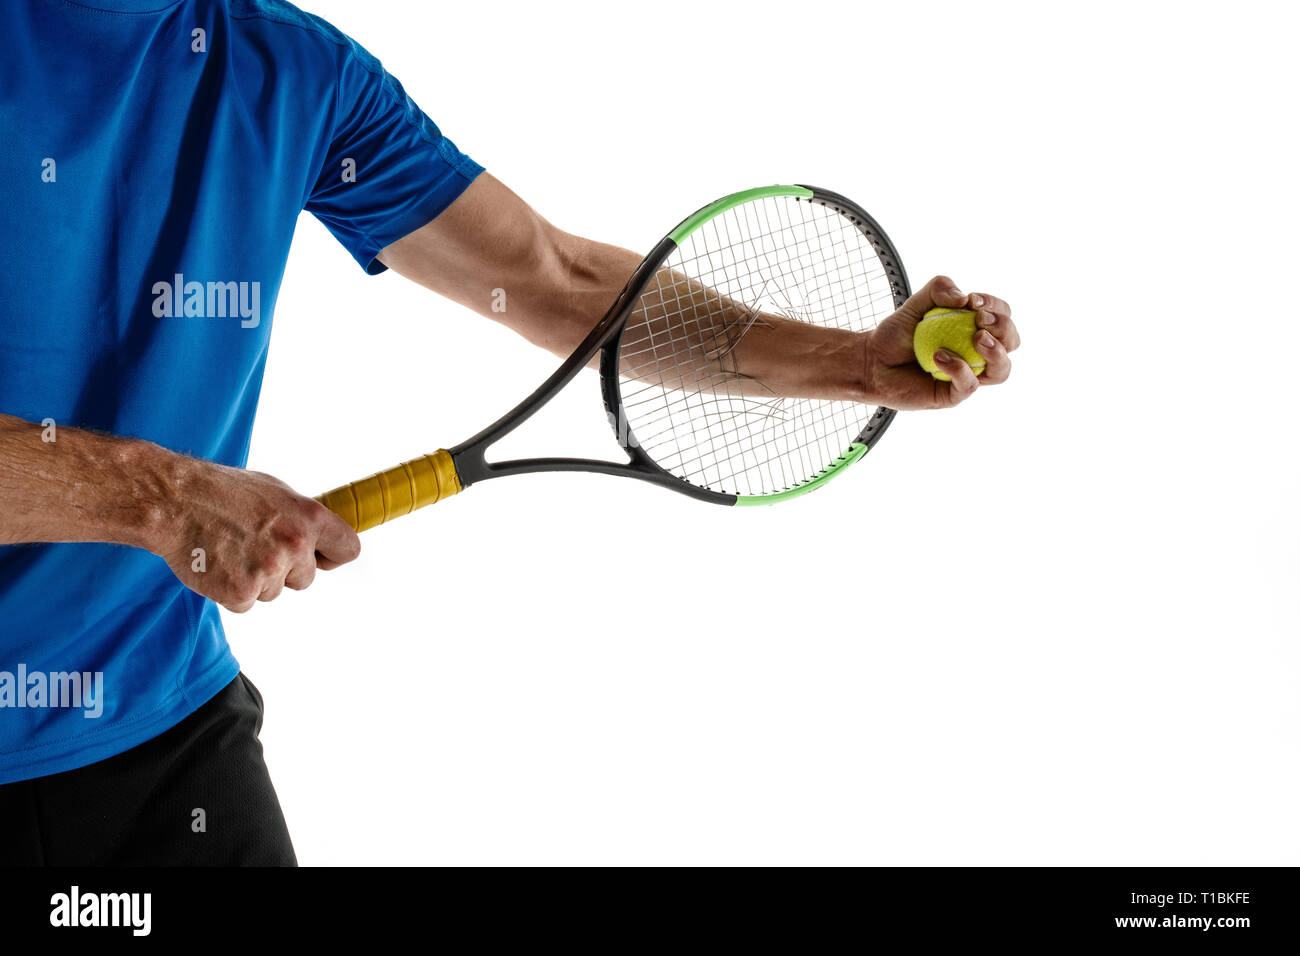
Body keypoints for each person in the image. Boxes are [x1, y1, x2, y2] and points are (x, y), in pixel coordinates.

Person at [0, 0, 1019, 865]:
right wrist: (158, 495)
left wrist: (847, 361)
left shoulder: (289, 69)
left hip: (160, 730)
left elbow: (550, 278)